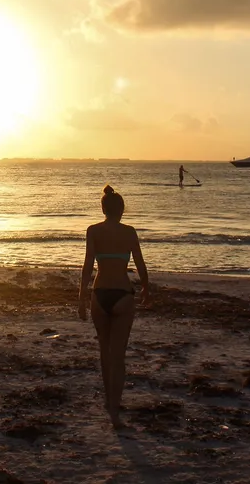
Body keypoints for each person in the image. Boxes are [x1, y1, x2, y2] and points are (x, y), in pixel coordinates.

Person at [78, 184, 149, 429]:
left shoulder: (93, 231)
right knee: (117, 357)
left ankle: (110, 402)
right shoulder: (129, 232)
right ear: (122, 209)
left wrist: (81, 298)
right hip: (122, 294)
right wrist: (146, 288)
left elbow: (88, 266)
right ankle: (115, 412)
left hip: (99, 295)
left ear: (103, 208)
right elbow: (140, 264)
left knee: (104, 353)